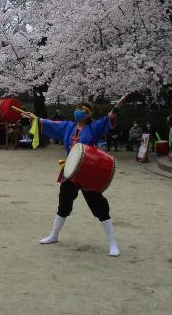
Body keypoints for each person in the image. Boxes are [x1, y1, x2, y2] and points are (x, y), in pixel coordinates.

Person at [22, 95, 128, 257]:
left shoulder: (95, 127)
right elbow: (50, 124)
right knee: (63, 204)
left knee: (98, 205)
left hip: (87, 170)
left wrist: (118, 105)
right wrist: (36, 119)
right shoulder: (69, 127)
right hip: (70, 171)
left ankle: (113, 243)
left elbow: (110, 116)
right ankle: (54, 235)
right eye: (77, 108)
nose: (78, 111)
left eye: (82, 110)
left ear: (88, 114)